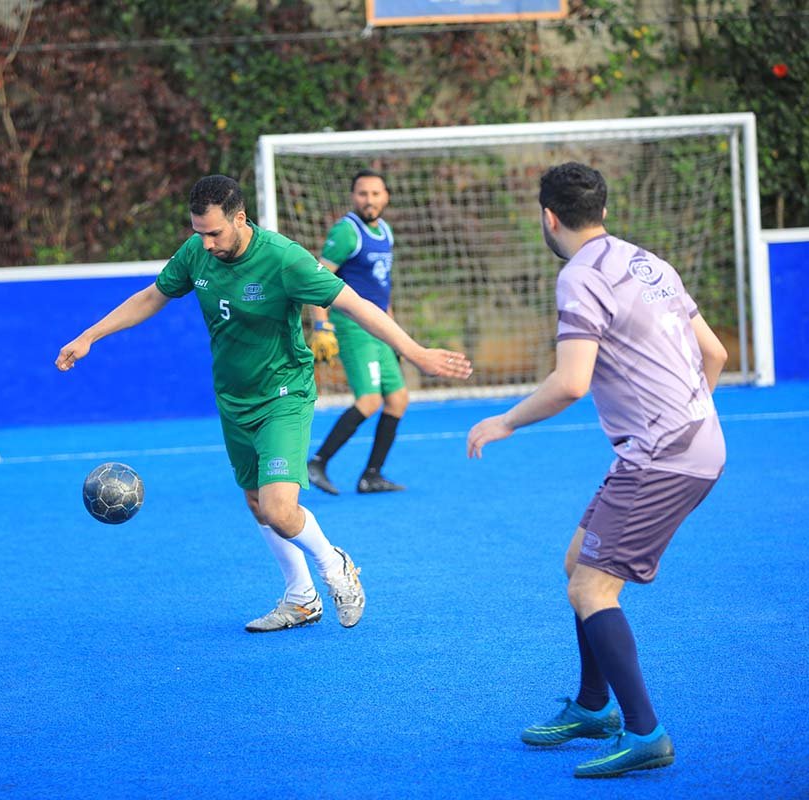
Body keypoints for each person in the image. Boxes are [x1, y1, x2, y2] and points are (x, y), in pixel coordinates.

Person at [57, 175, 472, 633]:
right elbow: (152, 297)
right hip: (233, 398)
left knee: (278, 507)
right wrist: (90, 335)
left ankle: (335, 566)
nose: (206, 243)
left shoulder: (283, 258)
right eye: (199, 232)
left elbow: (355, 304)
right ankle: (301, 598)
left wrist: (416, 352)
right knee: (257, 502)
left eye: (214, 233)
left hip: (283, 395)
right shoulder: (197, 251)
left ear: (240, 218)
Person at [466, 162, 728, 778]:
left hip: (662, 454)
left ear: (548, 217)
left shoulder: (579, 275)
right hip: (687, 443)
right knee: (577, 563)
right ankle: (591, 706)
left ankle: (646, 734)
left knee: (592, 589)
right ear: (603, 211)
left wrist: (504, 421)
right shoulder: (650, 262)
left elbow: (571, 382)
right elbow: (714, 353)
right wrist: (689, 422)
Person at [306, 169, 410, 495]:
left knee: (398, 399)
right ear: (353, 197)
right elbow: (317, 281)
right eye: (363, 193)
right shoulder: (346, 232)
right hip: (354, 327)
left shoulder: (385, 231)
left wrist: (394, 335)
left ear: (386, 196)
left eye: (375, 194)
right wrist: (321, 325)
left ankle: (371, 475)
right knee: (369, 400)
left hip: (380, 329)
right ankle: (317, 463)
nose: (369, 200)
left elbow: (382, 289)